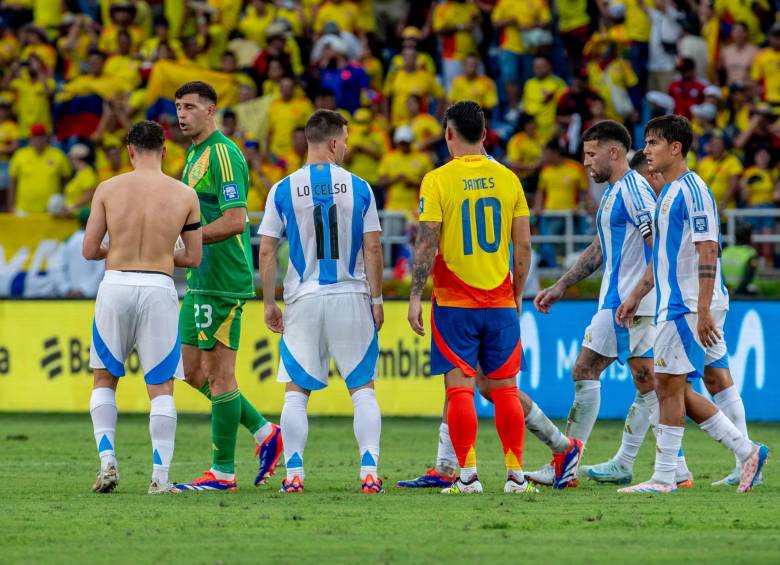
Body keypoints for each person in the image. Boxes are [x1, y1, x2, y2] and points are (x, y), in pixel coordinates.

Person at [617, 115, 768, 494]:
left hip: (688, 305)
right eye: (646, 142)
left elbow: (708, 248)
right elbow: (666, 254)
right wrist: (637, 293)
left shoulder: (692, 190)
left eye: (653, 143)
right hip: (683, 302)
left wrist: (701, 309)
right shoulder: (669, 191)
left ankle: (669, 475)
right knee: (699, 381)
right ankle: (745, 456)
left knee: (667, 385)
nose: (646, 150)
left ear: (675, 148)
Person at [527, 121, 682, 487]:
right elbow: (600, 249)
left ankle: (566, 462)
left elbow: (656, 248)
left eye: (591, 154)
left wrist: (634, 296)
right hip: (633, 302)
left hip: (624, 304)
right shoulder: (615, 192)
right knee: (648, 383)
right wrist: (561, 285)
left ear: (614, 153)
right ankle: (661, 465)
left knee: (584, 370)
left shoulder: (634, 192)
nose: (585, 162)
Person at [407, 101, 536, 494]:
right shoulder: (509, 179)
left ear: (449, 134)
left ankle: (468, 476)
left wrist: (415, 294)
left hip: (454, 303)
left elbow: (427, 243)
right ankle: (515, 475)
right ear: (485, 133)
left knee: (460, 389)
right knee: (506, 389)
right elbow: (525, 248)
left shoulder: (437, 180)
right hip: (500, 303)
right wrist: (515, 296)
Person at [258, 109, 385, 494]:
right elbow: (374, 247)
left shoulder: (282, 189)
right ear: (332, 143)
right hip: (351, 295)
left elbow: (266, 251)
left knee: (296, 391)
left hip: (304, 299)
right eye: (344, 140)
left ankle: (294, 472)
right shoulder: (360, 187)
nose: (346, 146)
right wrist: (377, 299)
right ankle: (368, 471)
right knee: (363, 388)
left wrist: (268, 302)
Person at [172, 82, 282, 492]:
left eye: (190, 107)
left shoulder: (222, 152)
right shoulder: (194, 154)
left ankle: (222, 472)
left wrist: (184, 242)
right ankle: (264, 432)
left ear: (211, 110)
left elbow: (237, 219)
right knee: (190, 371)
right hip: (201, 277)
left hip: (224, 279)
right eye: (179, 107)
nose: (182, 114)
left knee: (219, 376)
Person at [82, 120, 202, 495]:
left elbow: (89, 250)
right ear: (165, 151)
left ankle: (107, 462)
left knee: (104, 378)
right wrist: (162, 252)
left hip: (115, 284)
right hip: (158, 286)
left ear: (130, 150)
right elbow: (194, 257)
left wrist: (116, 251)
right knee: (161, 385)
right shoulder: (184, 194)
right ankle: (160, 478)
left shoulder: (109, 188)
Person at [7, 123, 70, 214]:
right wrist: (11, 205)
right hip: (23, 209)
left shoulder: (58, 155)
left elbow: (66, 180)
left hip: (51, 210)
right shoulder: (20, 155)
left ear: (47, 138)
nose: (38, 140)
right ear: (30, 139)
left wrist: (63, 201)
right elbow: (12, 181)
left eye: (41, 136)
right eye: (35, 137)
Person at [721, 223, 759, 295]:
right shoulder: (751, 253)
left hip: (726, 293)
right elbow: (748, 276)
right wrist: (736, 292)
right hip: (746, 294)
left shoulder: (725, 251)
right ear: (749, 237)